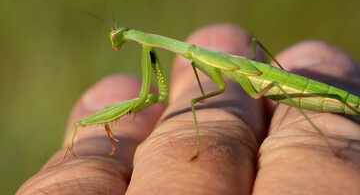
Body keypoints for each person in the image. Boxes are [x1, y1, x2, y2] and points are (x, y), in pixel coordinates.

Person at [17, 24, 360, 194]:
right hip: (260, 76)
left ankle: (327, 140)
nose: (118, 42)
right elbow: (148, 97)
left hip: (270, 80)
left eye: (120, 38)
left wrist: (196, 148)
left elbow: (147, 98)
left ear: (135, 40)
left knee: (200, 102)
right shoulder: (189, 54)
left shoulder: (193, 54)